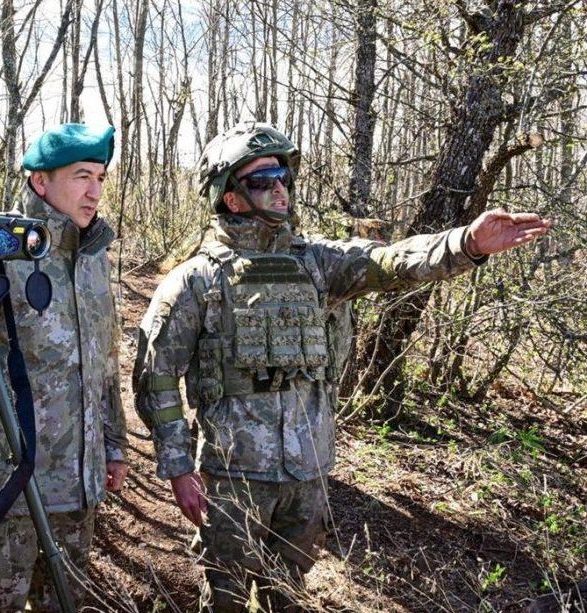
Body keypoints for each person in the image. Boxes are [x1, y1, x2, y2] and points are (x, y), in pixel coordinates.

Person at [132, 122, 550, 612]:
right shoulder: (195, 281)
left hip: (308, 474)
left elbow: (392, 261)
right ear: (231, 197)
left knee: (286, 596)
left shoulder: (319, 264)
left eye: (283, 175)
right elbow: (155, 377)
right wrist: (179, 467)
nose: (280, 186)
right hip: (233, 476)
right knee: (223, 595)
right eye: (263, 179)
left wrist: (467, 244)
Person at [0, 123, 129, 612]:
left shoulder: (92, 257)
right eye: (81, 176)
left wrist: (113, 445)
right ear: (39, 181)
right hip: (10, 490)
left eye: (101, 178)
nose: (94, 191)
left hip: (78, 487)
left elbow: (103, 361)